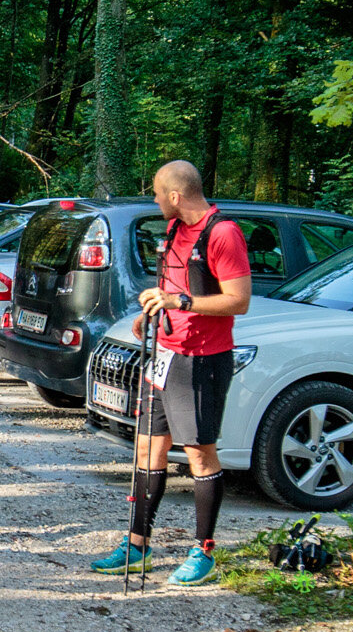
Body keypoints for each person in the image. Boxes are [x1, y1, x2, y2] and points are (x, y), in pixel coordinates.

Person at [91, 161, 253, 585]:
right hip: (165, 353)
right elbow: (170, 289)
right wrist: (152, 313)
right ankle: (137, 543)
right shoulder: (174, 230)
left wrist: (179, 303)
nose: (156, 201)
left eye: (159, 195)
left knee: (199, 452)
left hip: (202, 359)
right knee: (147, 449)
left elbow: (238, 300)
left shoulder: (223, 233)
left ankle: (203, 551)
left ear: (177, 196)